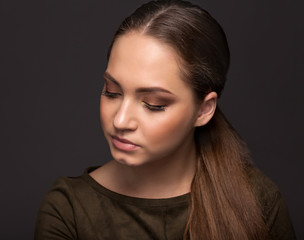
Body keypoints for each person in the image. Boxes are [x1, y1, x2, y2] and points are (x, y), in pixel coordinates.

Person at [35, 0, 296, 239]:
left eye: (154, 104)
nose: (121, 120)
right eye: (111, 92)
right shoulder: (67, 209)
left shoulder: (258, 201)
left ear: (204, 110)